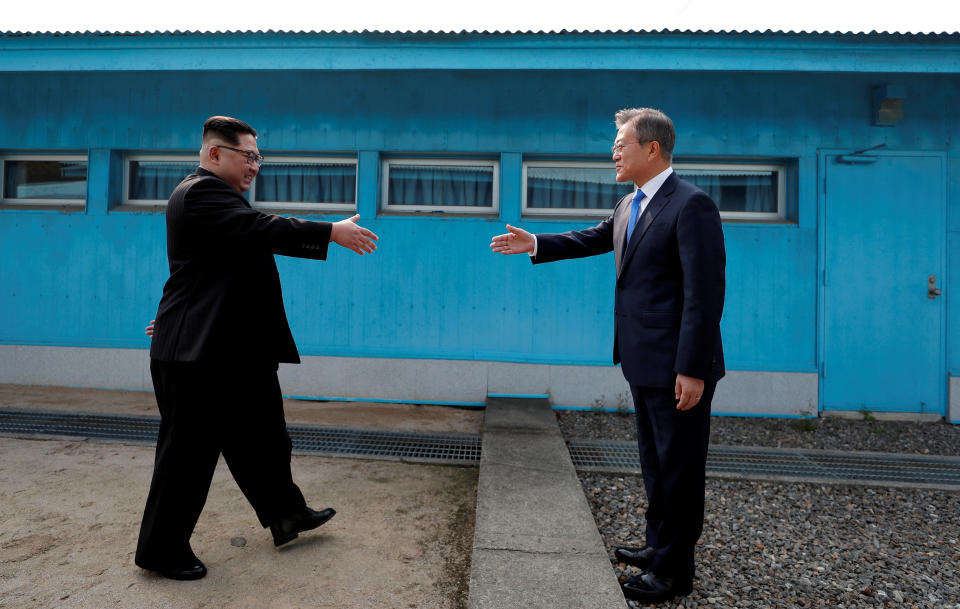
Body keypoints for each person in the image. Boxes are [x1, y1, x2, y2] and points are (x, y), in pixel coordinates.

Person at [490, 108, 725, 603]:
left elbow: (705, 295)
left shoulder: (692, 205)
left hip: (678, 366)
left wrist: (691, 368)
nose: (614, 152)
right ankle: (657, 546)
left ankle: (673, 573)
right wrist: (535, 242)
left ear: (653, 148)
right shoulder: (629, 205)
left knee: (680, 469)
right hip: (642, 359)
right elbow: (592, 238)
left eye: (622, 143)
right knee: (655, 463)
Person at [135, 116, 379, 581]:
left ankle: (287, 515)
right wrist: (330, 231)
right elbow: (263, 228)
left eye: (258, 157)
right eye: (247, 156)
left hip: (228, 348)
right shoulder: (201, 192)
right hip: (198, 359)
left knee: (265, 439)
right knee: (187, 456)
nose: (255, 166)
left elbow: (209, 275)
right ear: (214, 154)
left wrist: (177, 317)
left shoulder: (221, 201)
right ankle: (160, 550)